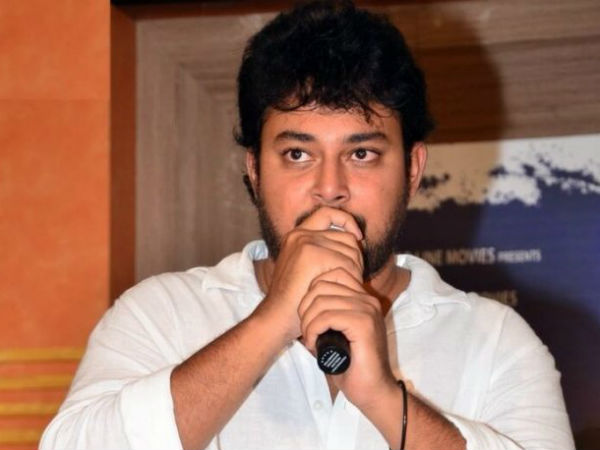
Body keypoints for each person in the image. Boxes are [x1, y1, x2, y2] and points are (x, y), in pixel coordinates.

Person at [40, 1, 574, 449]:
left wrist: (382, 398)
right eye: (298, 154)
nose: (329, 187)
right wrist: (273, 319)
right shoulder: (160, 314)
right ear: (254, 170)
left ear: (412, 171)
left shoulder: (494, 341)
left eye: (361, 154)